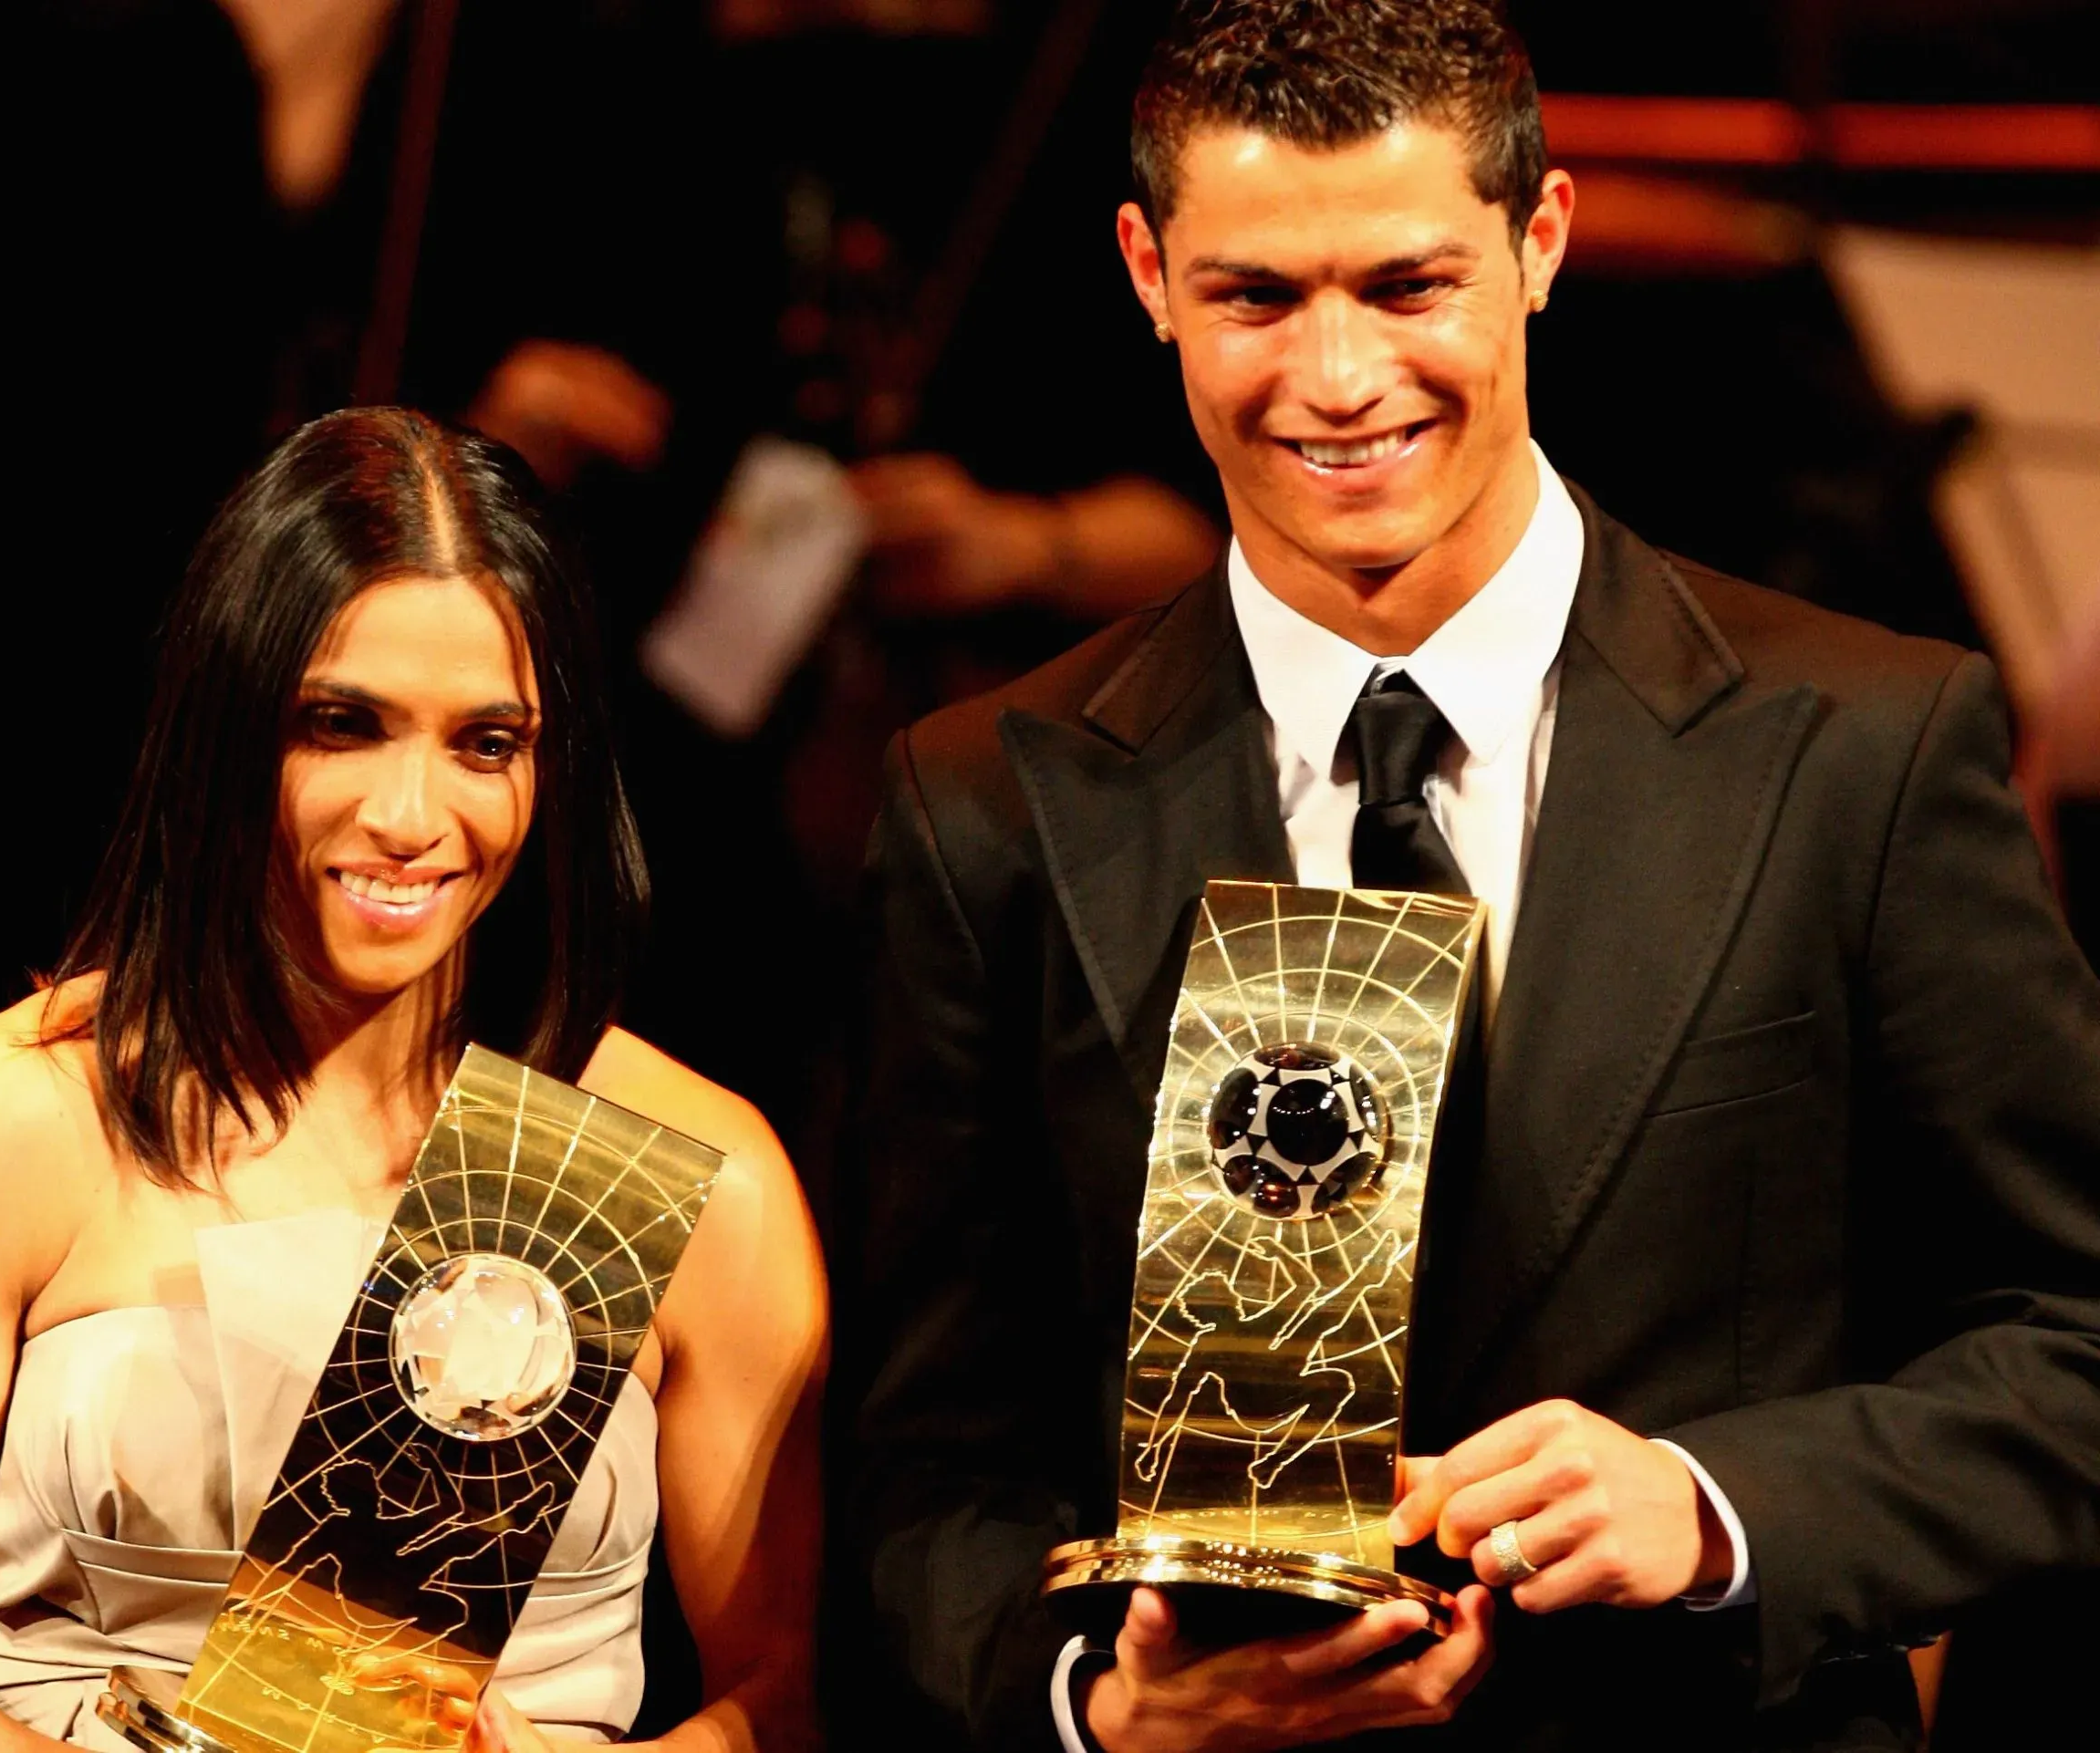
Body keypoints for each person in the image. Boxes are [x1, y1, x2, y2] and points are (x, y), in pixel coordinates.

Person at [836, 3, 2100, 1749]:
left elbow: (2071, 1344)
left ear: (1542, 245)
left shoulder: (1864, 749)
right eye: (1256, 297)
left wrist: (1719, 1505)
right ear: (1146, 273)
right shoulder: (984, 802)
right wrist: (1096, 1706)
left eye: (1410, 286)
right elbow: (927, 1469)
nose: (1339, 380)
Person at [0, 409, 826, 1751]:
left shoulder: (679, 1159)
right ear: (229, 724)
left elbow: (788, 1696)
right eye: (344, 724)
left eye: (485, 743)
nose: (411, 815)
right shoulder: (6, 1121)